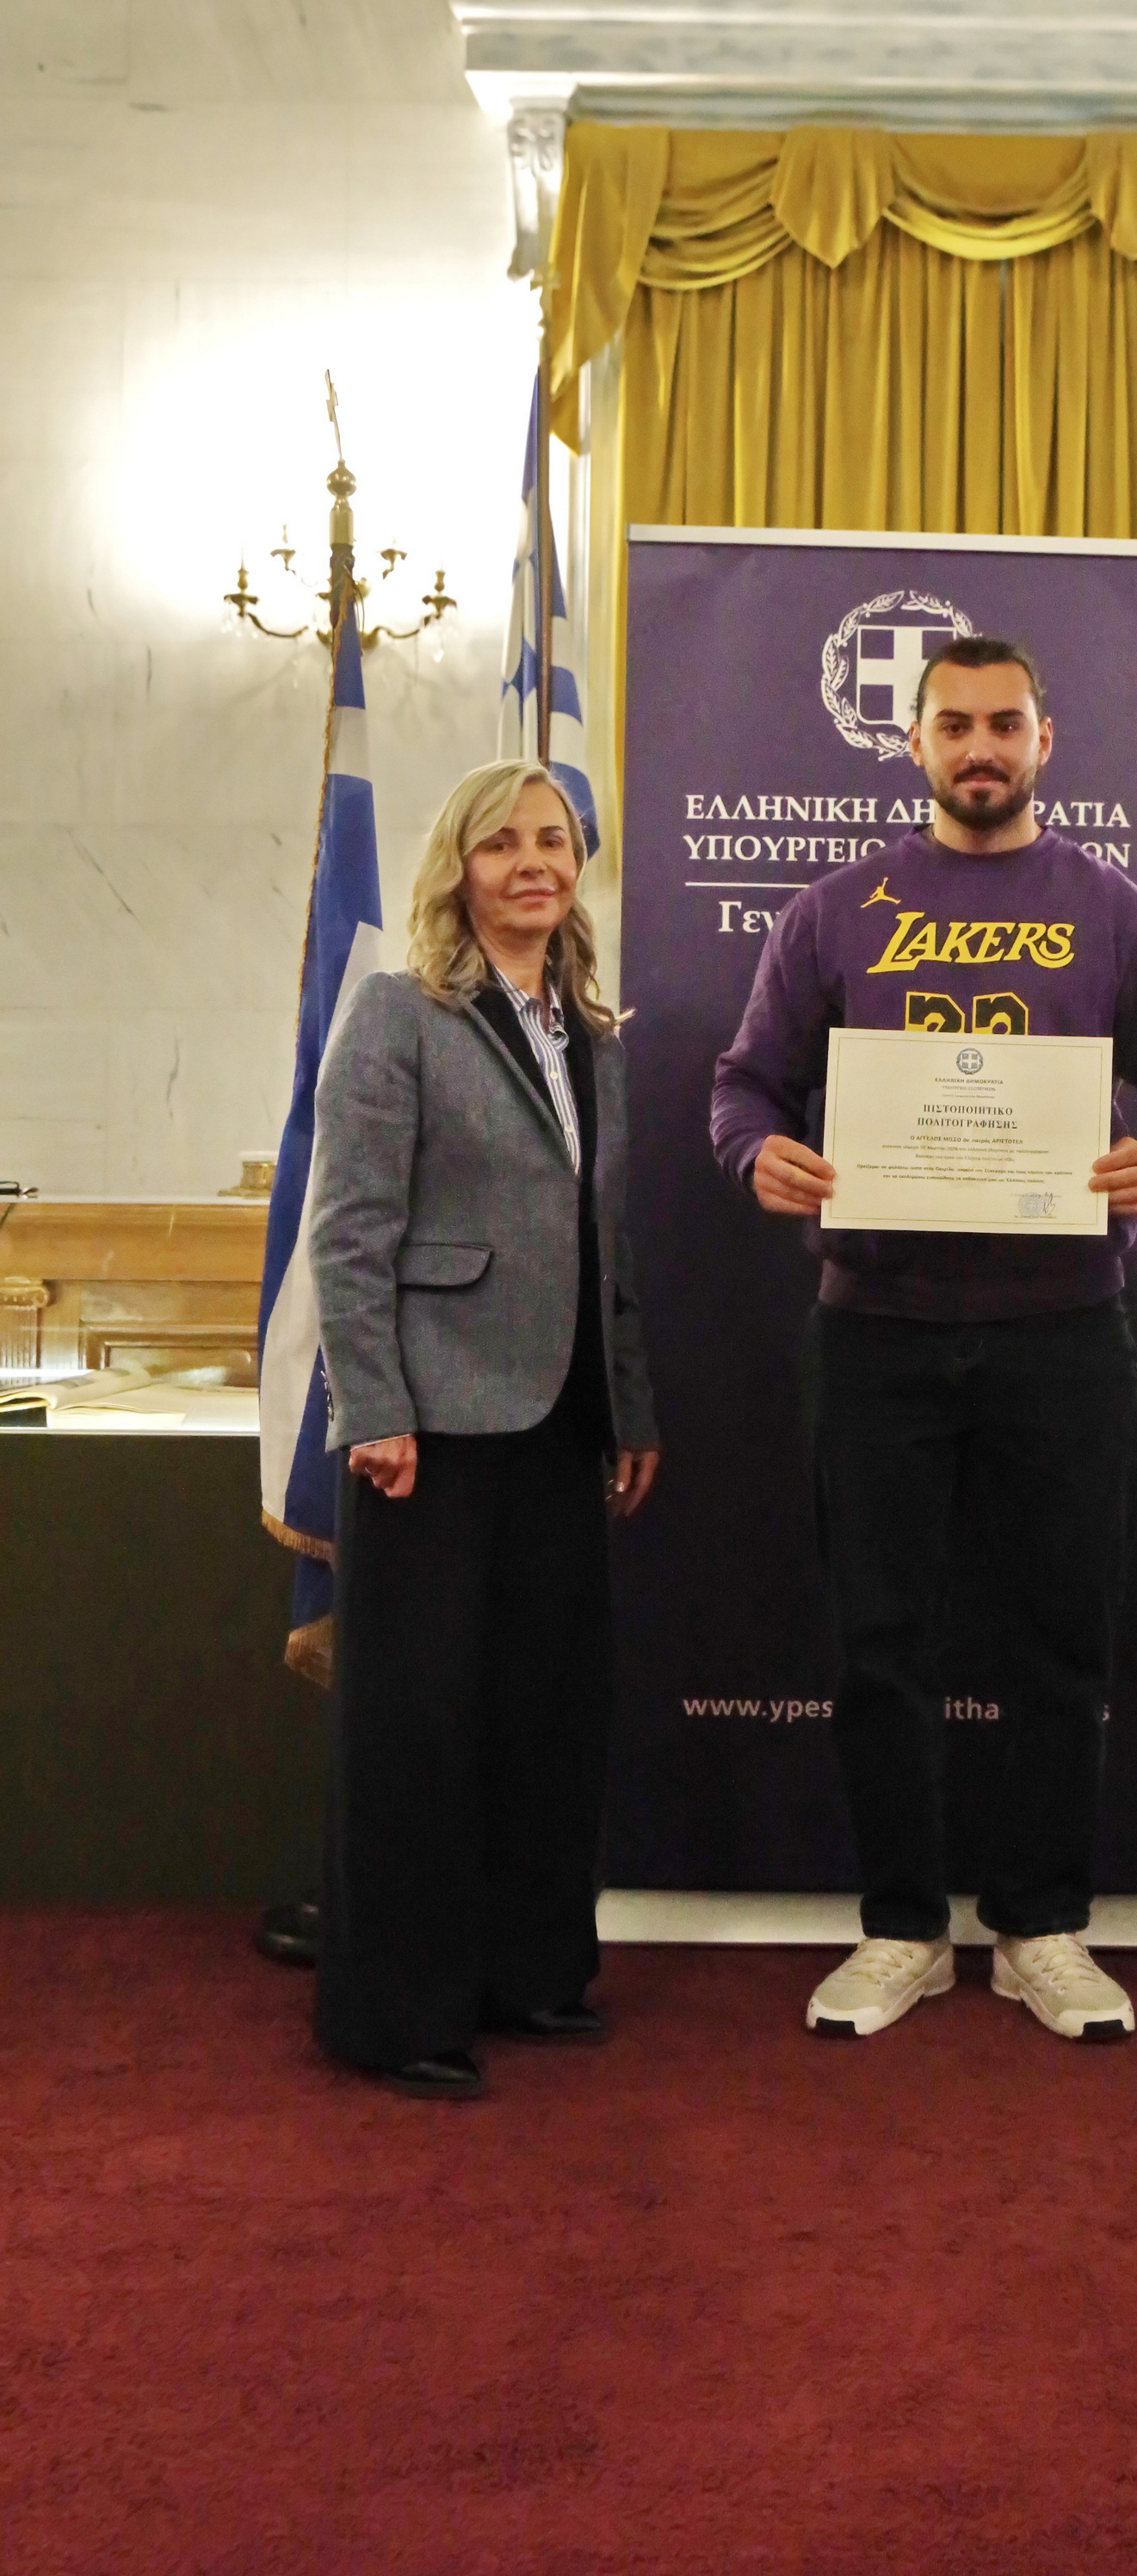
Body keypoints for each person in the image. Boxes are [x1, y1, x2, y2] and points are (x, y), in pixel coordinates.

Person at [712, 637, 1137, 2044]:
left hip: (1064, 1336)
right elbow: (744, 1089)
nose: (980, 748)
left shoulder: (1119, 915)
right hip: (878, 1335)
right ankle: (902, 1927)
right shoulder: (835, 912)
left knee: (1059, 1643)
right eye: (953, 724)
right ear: (913, 744)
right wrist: (760, 1154)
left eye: (1004, 724)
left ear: (1044, 741)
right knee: (879, 1643)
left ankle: (1040, 1927)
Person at [309, 763, 659, 2099]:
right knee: (420, 1725)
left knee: (546, 1712)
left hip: (565, 1422)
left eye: (553, 841)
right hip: (433, 1424)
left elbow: (604, 1247)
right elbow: (352, 1229)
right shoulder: (400, 1015)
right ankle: (400, 2014)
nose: (533, 863)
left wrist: (631, 1403)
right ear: (458, 868)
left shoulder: (596, 1039)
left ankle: (529, 1975)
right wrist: (375, 1405)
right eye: (502, 843)